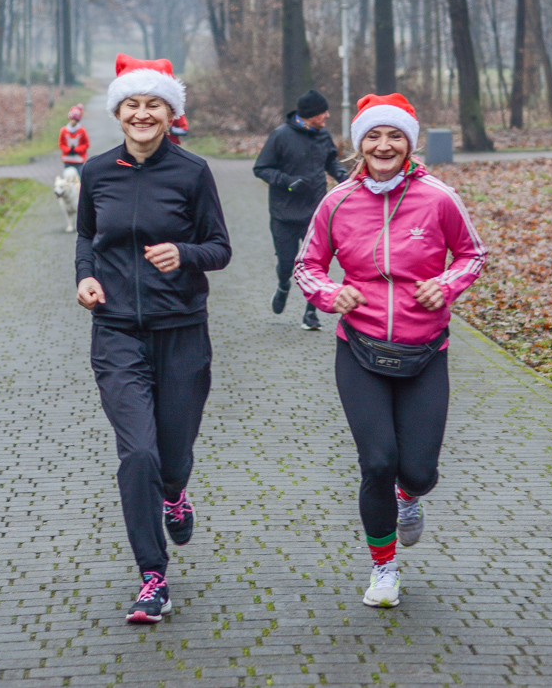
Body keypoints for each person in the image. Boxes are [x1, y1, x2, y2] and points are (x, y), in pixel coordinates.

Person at [294, 93, 486, 609]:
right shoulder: (336, 203)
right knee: (378, 462)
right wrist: (331, 294)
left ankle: (409, 497)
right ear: (359, 145)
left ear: (409, 144)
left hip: (425, 350)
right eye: (374, 136)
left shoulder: (440, 198)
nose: (384, 145)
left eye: (395, 136)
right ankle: (383, 568)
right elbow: (306, 265)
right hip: (360, 348)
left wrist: (446, 285)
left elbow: (472, 254)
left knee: (418, 472)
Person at [76, 54, 231, 624]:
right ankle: (152, 576)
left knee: (173, 453)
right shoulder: (97, 172)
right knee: (138, 452)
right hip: (116, 331)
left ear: (171, 114)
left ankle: (175, 492)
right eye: (132, 105)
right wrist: (85, 277)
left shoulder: (192, 172)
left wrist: (184, 253)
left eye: (154, 105)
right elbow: (87, 236)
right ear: (118, 113)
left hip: (182, 331)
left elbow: (220, 247)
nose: (142, 114)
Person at [254, 89, 348, 330]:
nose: (327, 115)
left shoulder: (323, 135)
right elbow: (261, 168)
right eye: (323, 112)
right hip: (283, 214)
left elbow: (330, 161)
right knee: (287, 264)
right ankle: (283, 284)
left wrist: (343, 177)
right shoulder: (280, 136)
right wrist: (288, 182)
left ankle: (310, 313)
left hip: (315, 213)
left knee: (314, 266)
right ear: (310, 115)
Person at [59, 104, 91, 174]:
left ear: (78, 120)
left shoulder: (82, 131)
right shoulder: (64, 131)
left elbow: (86, 144)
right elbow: (61, 144)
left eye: (75, 119)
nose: (73, 121)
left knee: (80, 176)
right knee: (67, 176)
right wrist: (68, 150)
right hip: (67, 159)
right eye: (72, 119)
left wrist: (76, 150)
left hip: (79, 160)